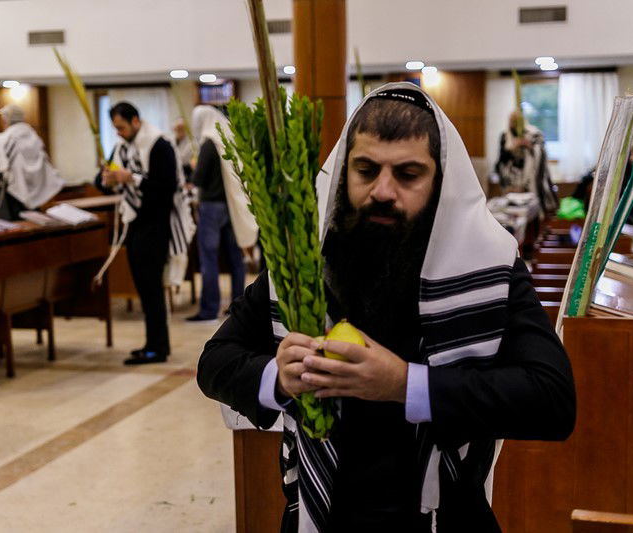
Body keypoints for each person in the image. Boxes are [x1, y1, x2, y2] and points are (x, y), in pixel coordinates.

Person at [197, 83, 576, 532]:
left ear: (438, 183)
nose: (383, 190)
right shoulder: (306, 264)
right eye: (366, 169)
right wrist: (277, 378)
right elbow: (215, 363)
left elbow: (552, 401)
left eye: (408, 174)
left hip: (445, 517)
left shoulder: (488, 266)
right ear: (344, 173)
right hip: (323, 517)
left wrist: (405, 384)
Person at [95, 102, 178, 365]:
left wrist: (132, 178)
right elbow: (102, 179)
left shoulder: (159, 145)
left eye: (121, 127)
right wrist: (106, 180)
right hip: (134, 223)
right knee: (143, 288)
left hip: (156, 223)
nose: (118, 133)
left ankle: (158, 347)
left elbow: (166, 189)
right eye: (115, 128)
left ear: (135, 122)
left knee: (152, 289)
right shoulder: (121, 147)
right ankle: (151, 343)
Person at [187, 105, 258, 322]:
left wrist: (193, 166)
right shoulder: (227, 139)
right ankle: (237, 307)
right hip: (230, 207)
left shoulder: (209, 143)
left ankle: (209, 309)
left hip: (211, 207)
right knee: (235, 257)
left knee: (208, 259)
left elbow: (198, 179)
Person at [0, 104, 64, 220]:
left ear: (5, 120)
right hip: (35, 201)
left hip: (8, 205)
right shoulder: (36, 139)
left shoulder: (0, 142)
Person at [495, 110, 558, 214]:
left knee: (532, 210)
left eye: (516, 121)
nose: (513, 124)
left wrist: (529, 146)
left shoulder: (533, 134)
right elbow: (501, 161)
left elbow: (540, 157)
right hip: (511, 182)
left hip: (530, 181)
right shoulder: (505, 136)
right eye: (511, 121)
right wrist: (512, 148)